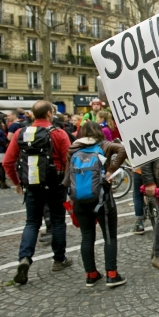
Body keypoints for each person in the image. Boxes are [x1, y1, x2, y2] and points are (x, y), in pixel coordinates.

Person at [3, 100, 72, 285]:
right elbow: (69, 160)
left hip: (32, 184)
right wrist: (66, 183)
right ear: (50, 114)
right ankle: (59, 259)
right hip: (55, 184)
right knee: (58, 220)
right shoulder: (59, 133)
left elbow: (8, 162)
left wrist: (17, 182)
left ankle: (24, 258)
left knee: (32, 222)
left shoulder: (20, 133)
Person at [63, 122, 128, 287]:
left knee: (86, 236)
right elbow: (122, 149)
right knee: (109, 236)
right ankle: (112, 274)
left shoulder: (73, 149)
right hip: (102, 198)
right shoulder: (103, 145)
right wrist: (111, 170)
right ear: (99, 132)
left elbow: (66, 177)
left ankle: (91, 274)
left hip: (79, 200)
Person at [0, 121, 9, 189]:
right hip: (0, 151)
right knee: (1, 168)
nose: (3, 124)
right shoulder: (0, 131)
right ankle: (3, 183)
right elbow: (3, 140)